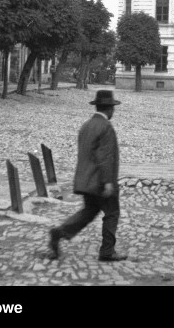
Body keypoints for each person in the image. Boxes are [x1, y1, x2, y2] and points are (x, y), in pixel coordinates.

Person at [48, 90, 127, 262]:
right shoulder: (106, 127)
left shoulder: (86, 125)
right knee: (112, 213)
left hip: (85, 180)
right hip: (100, 181)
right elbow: (105, 157)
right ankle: (107, 251)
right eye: (113, 108)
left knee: (89, 211)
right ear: (110, 109)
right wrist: (107, 182)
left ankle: (61, 231)